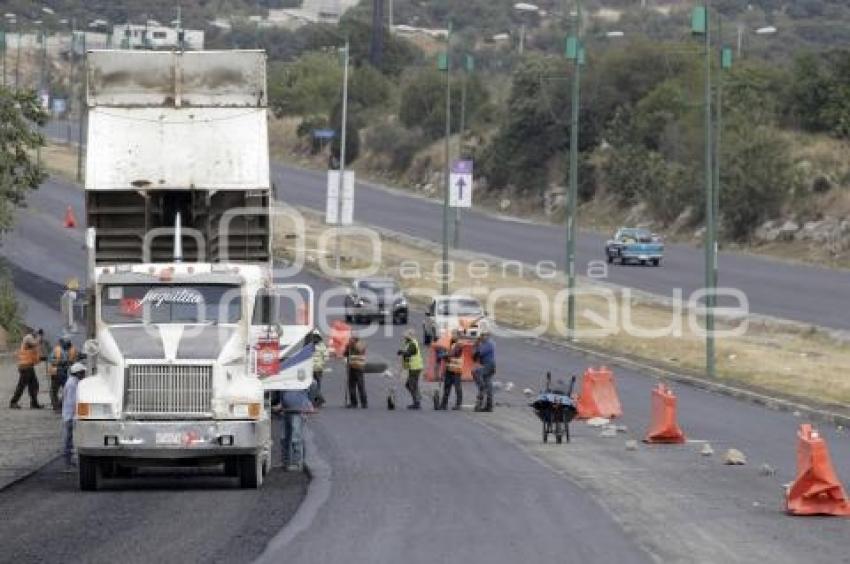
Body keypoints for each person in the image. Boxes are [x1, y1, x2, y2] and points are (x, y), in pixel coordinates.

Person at [272, 389, 312, 471]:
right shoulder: (285, 381)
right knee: (284, 438)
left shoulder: (300, 380)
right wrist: (281, 405)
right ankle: (285, 462)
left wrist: (308, 405)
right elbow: (283, 393)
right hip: (286, 411)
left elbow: (312, 386)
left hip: (298, 411)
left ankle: (297, 463)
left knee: (296, 439)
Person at [62, 362, 86, 471]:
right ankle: (68, 464)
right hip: (70, 416)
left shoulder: (72, 382)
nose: (84, 375)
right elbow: (72, 402)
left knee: (69, 439)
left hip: (69, 415)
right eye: (82, 373)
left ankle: (69, 463)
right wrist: (75, 416)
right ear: (78, 373)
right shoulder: (72, 384)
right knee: (69, 440)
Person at [9, 333, 43, 409]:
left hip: (29, 366)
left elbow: (34, 352)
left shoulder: (32, 341)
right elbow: (34, 343)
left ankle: (34, 403)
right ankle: (13, 402)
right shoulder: (28, 337)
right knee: (21, 386)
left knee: (34, 385)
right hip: (25, 366)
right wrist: (39, 338)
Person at [48, 336, 78, 411]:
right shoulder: (62, 350)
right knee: (64, 389)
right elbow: (62, 361)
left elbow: (53, 360)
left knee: (54, 391)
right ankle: (60, 405)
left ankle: (57, 406)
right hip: (60, 371)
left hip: (56, 372)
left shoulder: (58, 349)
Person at [397, 329, 423, 410]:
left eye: (406, 335)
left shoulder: (412, 344)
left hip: (415, 367)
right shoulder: (410, 343)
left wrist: (402, 352)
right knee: (410, 384)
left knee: (411, 385)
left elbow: (408, 353)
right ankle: (417, 399)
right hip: (413, 367)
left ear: (410, 335)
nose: (404, 337)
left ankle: (417, 401)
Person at [438, 332, 464, 411]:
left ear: (458, 336)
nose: (452, 336)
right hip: (449, 368)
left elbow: (453, 353)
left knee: (457, 387)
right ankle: (443, 404)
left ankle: (458, 404)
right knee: (447, 386)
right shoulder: (452, 343)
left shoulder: (459, 344)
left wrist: (444, 355)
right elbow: (449, 355)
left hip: (456, 370)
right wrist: (444, 354)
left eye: (454, 335)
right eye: (452, 334)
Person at [473, 330, 496, 412]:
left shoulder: (489, 344)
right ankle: (489, 406)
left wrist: (476, 345)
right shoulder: (484, 344)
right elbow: (474, 357)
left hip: (489, 365)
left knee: (476, 372)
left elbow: (479, 353)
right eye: (481, 335)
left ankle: (481, 388)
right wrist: (476, 346)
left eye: (484, 335)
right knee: (488, 385)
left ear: (488, 336)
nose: (482, 337)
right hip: (486, 365)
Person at [346, 336, 368, 409]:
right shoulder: (350, 346)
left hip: (359, 368)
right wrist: (347, 348)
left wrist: (352, 345)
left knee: (360, 386)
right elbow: (345, 354)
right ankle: (353, 403)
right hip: (352, 367)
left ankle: (364, 403)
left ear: (355, 340)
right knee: (351, 386)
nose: (349, 340)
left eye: (351, 339)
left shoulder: (360, 345)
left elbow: (360, 350)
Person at [309, 330, 328, 408]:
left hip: (312, 368)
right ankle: (317, 400)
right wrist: (322, 363)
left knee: (312, 385)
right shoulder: (322, 345)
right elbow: (326, 357)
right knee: (317, 385)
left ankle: (317, 400)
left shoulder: (310, 345)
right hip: (318, 368)